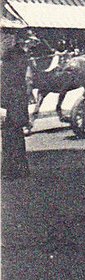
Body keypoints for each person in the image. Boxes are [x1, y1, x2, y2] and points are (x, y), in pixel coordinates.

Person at [1, 31, 31, 179]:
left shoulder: (9, 59)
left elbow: (5, 85)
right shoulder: (22, 58)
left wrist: (2, 106)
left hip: (10, 104)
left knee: (8, 138)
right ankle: (22, 170)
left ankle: (9, 172)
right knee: (17, 137)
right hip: (19, 102)